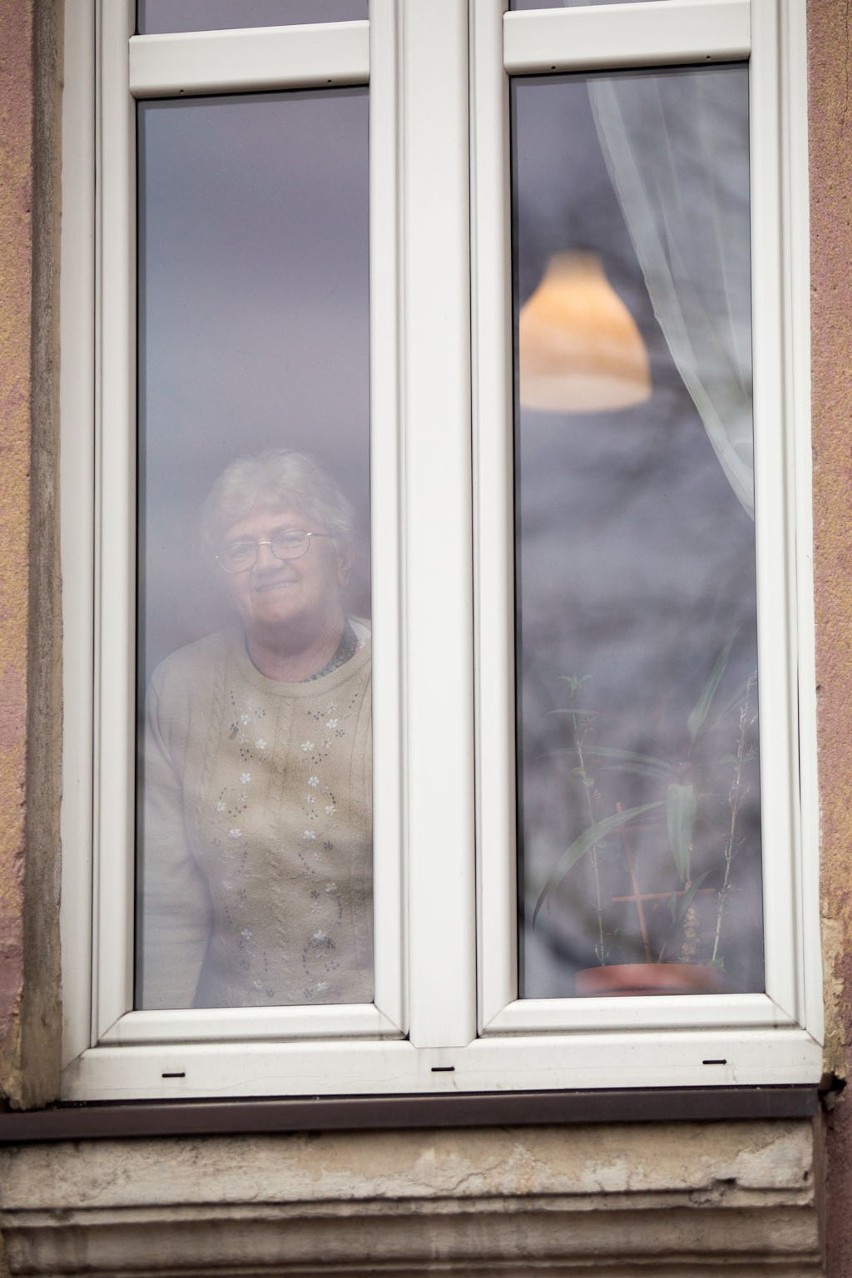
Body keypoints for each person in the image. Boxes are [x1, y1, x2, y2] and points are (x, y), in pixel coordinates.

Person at [138, 450, 372, 1009]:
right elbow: (166, 902)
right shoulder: (181, 687)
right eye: (241, 548)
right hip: (229, 1038)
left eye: (290, 537)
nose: (266, 562)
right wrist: (157, 1049)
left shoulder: (406, 676)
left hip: (385, 1034)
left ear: (340, 560)